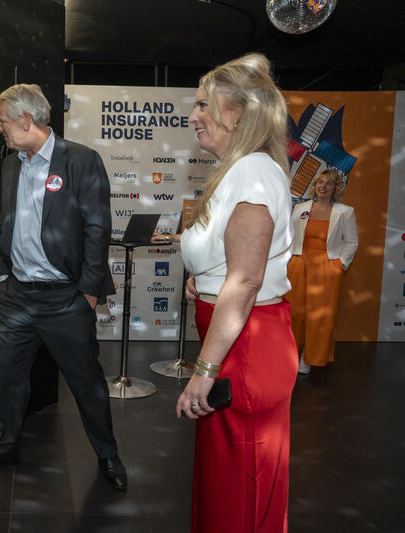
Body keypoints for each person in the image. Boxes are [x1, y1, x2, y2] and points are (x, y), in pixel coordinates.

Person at [0, 84, 127, 491]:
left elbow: (97, 229)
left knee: (86, 383)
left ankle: (108, 455)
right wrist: (5, 276)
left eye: (2, 121)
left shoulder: (81, 160)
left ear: (25, 120)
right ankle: (5, 448)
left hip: (65, 298)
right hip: (16, 296)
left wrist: (88, 293)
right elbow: (7, 222)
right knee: (9, 380)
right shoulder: (11, 164)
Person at [175, 53, 298, 532]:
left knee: (241, 484)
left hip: (244, 349)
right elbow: (235, 264)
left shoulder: (252, 172)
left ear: (240, 112)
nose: (193, 116)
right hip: (237, 341)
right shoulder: (241, 170)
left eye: (203, 105)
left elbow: (245, 281)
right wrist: (203, 278)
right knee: (230, 480)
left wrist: (203, 372)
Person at [286, 169, 358, 374]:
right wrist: (288, 260)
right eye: (320, 182)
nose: (323, 186)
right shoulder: (300, 208)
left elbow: (352, 242)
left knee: (320, 315)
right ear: (315, 185)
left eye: (328, 183)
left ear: (335, 188)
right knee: (294, 312)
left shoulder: (345, 212)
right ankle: (290, 353)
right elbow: (289, 237)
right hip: (299, 264)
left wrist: (339, 265)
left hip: (327, 267)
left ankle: (309, 357)